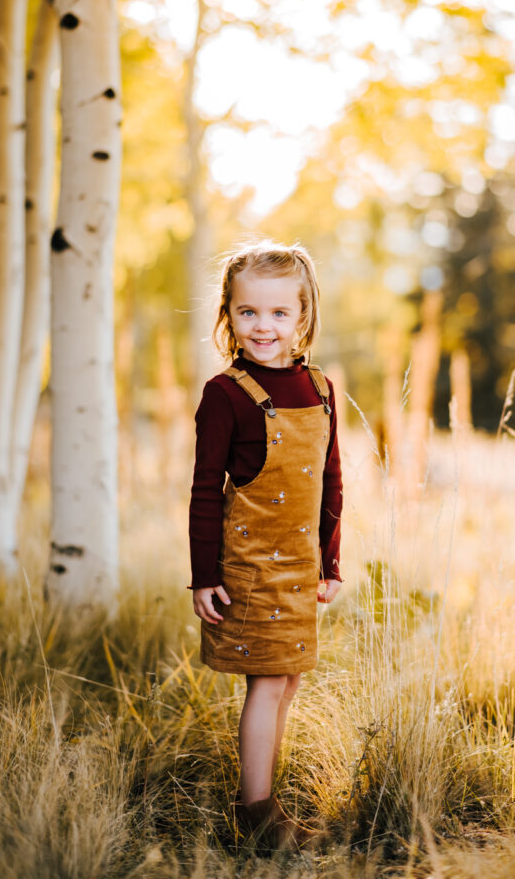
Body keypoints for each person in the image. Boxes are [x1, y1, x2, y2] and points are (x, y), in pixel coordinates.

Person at [188, 240, 343, 849]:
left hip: (301, 561)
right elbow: (204, 491)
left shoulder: (321, 387)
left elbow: (331, 481)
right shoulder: (226, 394)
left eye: (280, 313)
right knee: (269, 679)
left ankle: (263, 798)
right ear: (229, 314)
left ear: (304, 315)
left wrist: (330, 561)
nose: (264, 326)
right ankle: (254, 813)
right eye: (249, 312)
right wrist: (205, 576)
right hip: (249, 564)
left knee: (291, 677)